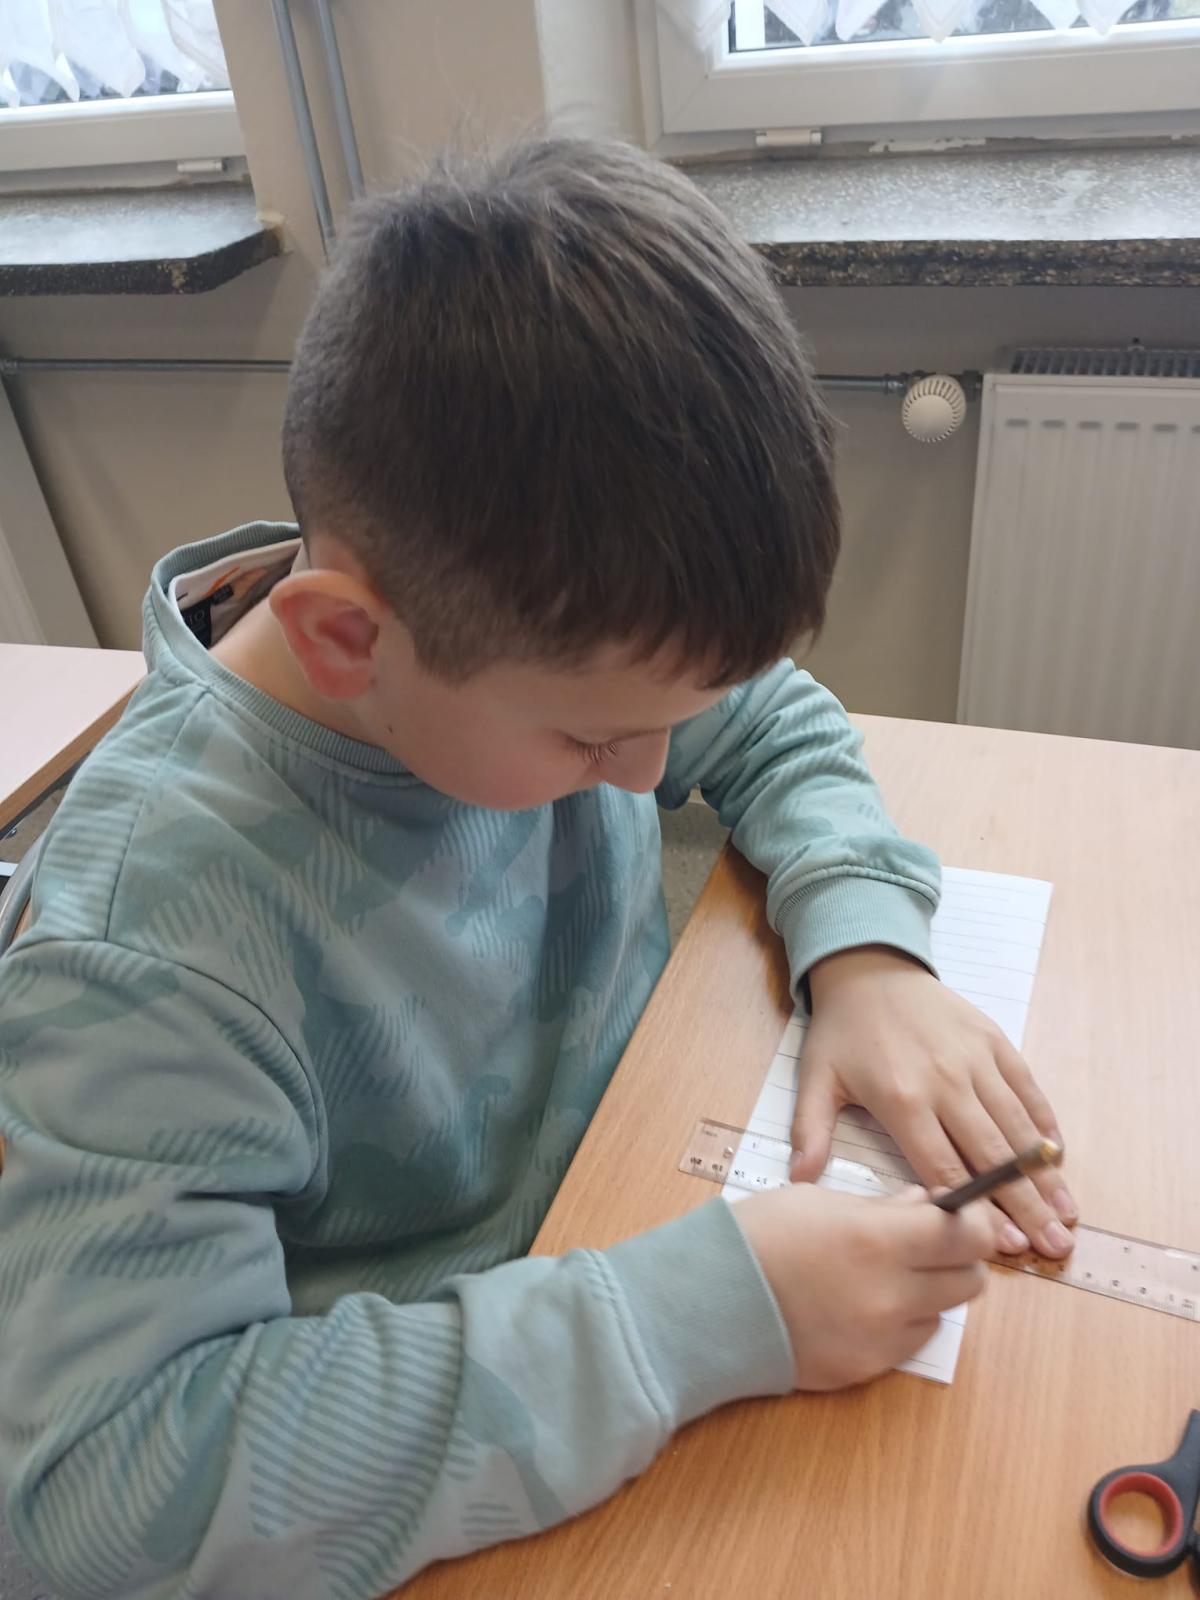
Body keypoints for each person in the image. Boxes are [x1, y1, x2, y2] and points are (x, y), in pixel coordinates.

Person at [0, 138, 1075, 1600]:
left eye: (669, 719)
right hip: (436, 1460)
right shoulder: (146, 951)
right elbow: (103, 1496)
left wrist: (867, 952)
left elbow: (760, 717)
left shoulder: (525, 645)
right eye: (591, 738)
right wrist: (686, 1318)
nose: (651, 775)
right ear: (345, 640)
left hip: (614, 1209)